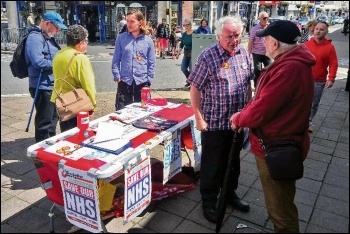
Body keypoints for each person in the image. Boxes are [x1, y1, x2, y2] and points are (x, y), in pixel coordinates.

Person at [230, 20, 315, 233]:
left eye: (266, 40)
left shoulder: (289, 68)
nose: (263, 44)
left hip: (277, 147)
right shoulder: (290, 62)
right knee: (280, 204)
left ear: (275, 43)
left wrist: (239, 118)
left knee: (280, 211)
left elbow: (262, 108)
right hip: (280, 143)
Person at [187, 16, 253, 223]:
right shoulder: (208, 56)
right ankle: (209, 200)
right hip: (214, 122)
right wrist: (198, 117)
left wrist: (248, 113)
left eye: (237, 35)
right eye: (229, 36)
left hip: (237, 123)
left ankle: (230, 193)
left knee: (233, 163)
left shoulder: (245, 53)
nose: (234, 40)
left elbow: (247, 85)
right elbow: (195, 88)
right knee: (212, 164)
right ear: (218, 36)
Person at [25, 12, 67, 142]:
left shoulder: (47, 37)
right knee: (45, 121)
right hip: (42, 86)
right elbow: (38, 62)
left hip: (51, 85)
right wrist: (59, 63)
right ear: (47, 23)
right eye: (56, 27)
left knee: (53, 119)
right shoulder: (35, 38)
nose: (58, 30)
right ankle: (42, 150)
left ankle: (49, 144)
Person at [51, 25, 97, 132]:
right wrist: (92, 105)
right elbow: (88, 85)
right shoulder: (80, 58)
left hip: (61, 102)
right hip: (77, 103)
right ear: (81, 42)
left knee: (66, 132)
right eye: (86, 41)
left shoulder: (59, 54)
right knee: (79, 134)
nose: (87, 44)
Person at [112, 9, 156, 111]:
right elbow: (116, 60)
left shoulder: (148, 41)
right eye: (127, 21)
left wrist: (149, 80)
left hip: (142, 82)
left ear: (140, 22)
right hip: (125, 81)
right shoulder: (121, 38)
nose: (129, 24)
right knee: (122, 111)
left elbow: (151, 62)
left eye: (132, 21)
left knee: (143, 111)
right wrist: (117, 77)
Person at [305, 21, 338, 133]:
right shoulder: (306, 45)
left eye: (321, 29)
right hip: (304, 79)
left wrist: (331, 78)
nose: (318, 31)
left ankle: (308, 122)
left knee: (314, 103)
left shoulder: (329, 48)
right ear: (313, 30)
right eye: (317, 28)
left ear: (326, 32)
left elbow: (333, 63)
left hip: (319, 81)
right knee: (300, 101)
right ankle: (298, 120)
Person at [248, 11, 272, 88]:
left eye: (267, 18)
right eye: (264, 18)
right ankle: (256, 86)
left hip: (267, 53)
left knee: (269, 70)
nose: (266, 20)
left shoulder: (270, 28)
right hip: (257, 53)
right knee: (257, 70)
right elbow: (250, 42)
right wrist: (249, 53)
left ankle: (267, 86)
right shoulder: (255, 29)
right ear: (259, 19)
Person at [176, 18, 193, 87]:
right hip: (186, 53)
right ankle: (190, 80)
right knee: (183, 68)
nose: (186, 27)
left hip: (193, 53)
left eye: (187, 25)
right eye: (184, 25)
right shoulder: (184, 34)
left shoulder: (194, 34)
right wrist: (178, 53)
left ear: (191, 25)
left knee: (192, 69)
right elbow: (181, 45)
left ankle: (193, 84)